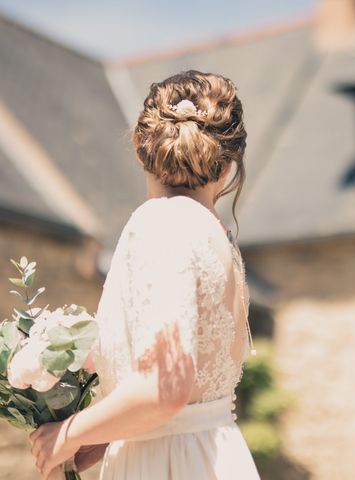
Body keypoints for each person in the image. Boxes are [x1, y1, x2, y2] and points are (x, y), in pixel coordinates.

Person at [29, 70, 260, 479]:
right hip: (212, 455)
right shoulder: (219, 240)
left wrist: (66, 433)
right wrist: (98, 438)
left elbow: (165, 388)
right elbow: (187, 398)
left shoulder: (161, 223)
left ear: (140, 150)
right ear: (227, 169)